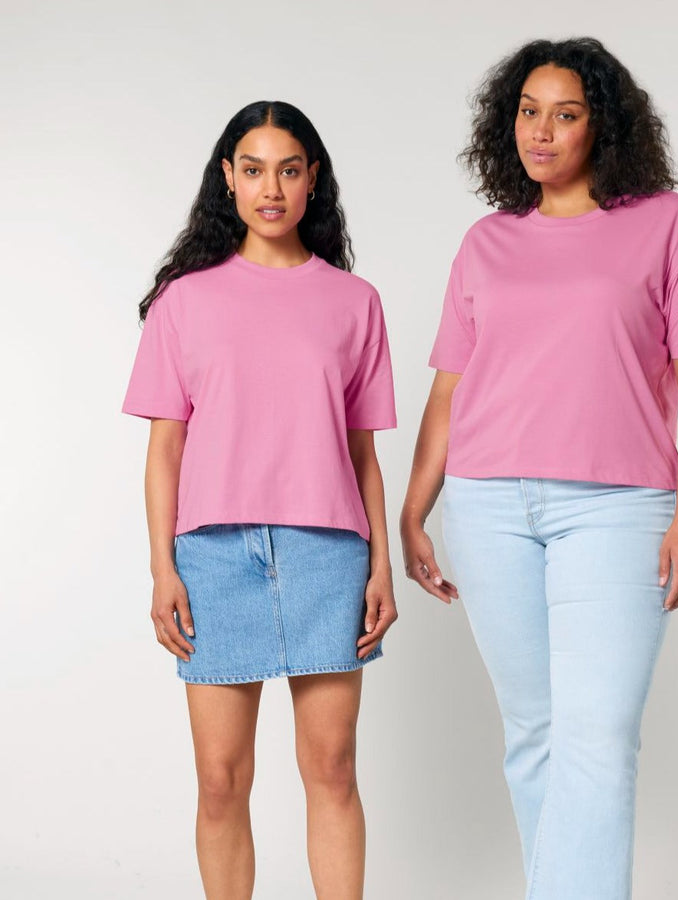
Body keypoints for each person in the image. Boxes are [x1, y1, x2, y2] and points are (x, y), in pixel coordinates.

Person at [400, 38, 678, 899]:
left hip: (620, 507)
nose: (542, 132)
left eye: (566, 113)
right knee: (535, 733)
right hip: (485, 507)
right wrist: (414, 508)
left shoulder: (669, 224)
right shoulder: (486, 242)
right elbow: (450, 388)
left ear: (605, 125)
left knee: (597, 734)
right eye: (528, 112)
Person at [122, 100, 397, 900]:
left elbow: (361, 454)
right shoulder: (184, 300)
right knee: (218, 779)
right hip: (211, 557)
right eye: (252, 168)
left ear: (313, 180)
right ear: (227, 179)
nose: (270, 187)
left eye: (288, 168)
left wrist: (380, 566)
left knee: (334, 768)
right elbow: (164, 448)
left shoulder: (354, 301)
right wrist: (161, 569)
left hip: (327, 555)